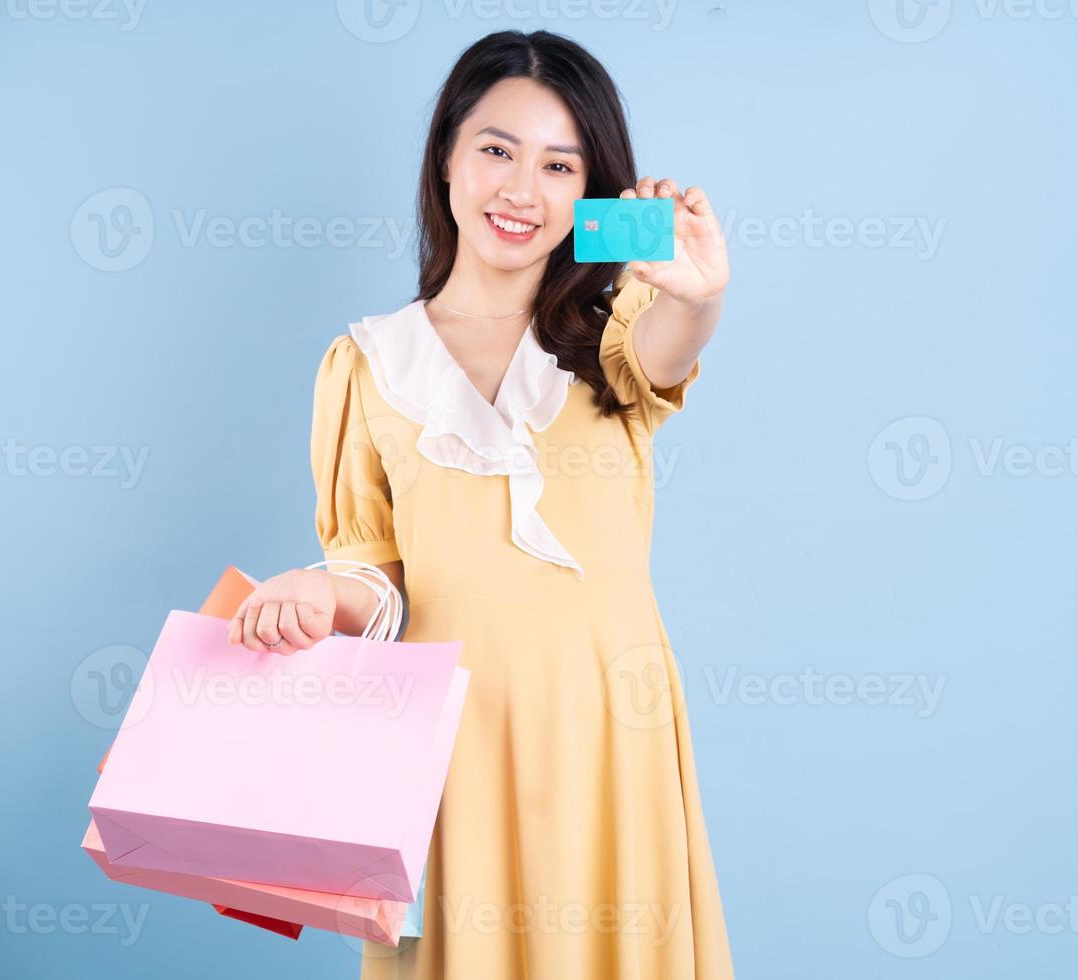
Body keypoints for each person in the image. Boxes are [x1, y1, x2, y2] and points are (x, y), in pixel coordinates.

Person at [226, 29, 734, 979]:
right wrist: (309, 592)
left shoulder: (613, 339)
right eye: (497, 150)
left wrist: (695, 297)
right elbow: (371, 574)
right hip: (450, 745)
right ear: (448, 157)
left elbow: (668, 348)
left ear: (589, 195)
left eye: (559, 165)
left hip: (607, 729)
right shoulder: (367, 364)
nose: (521, 190)